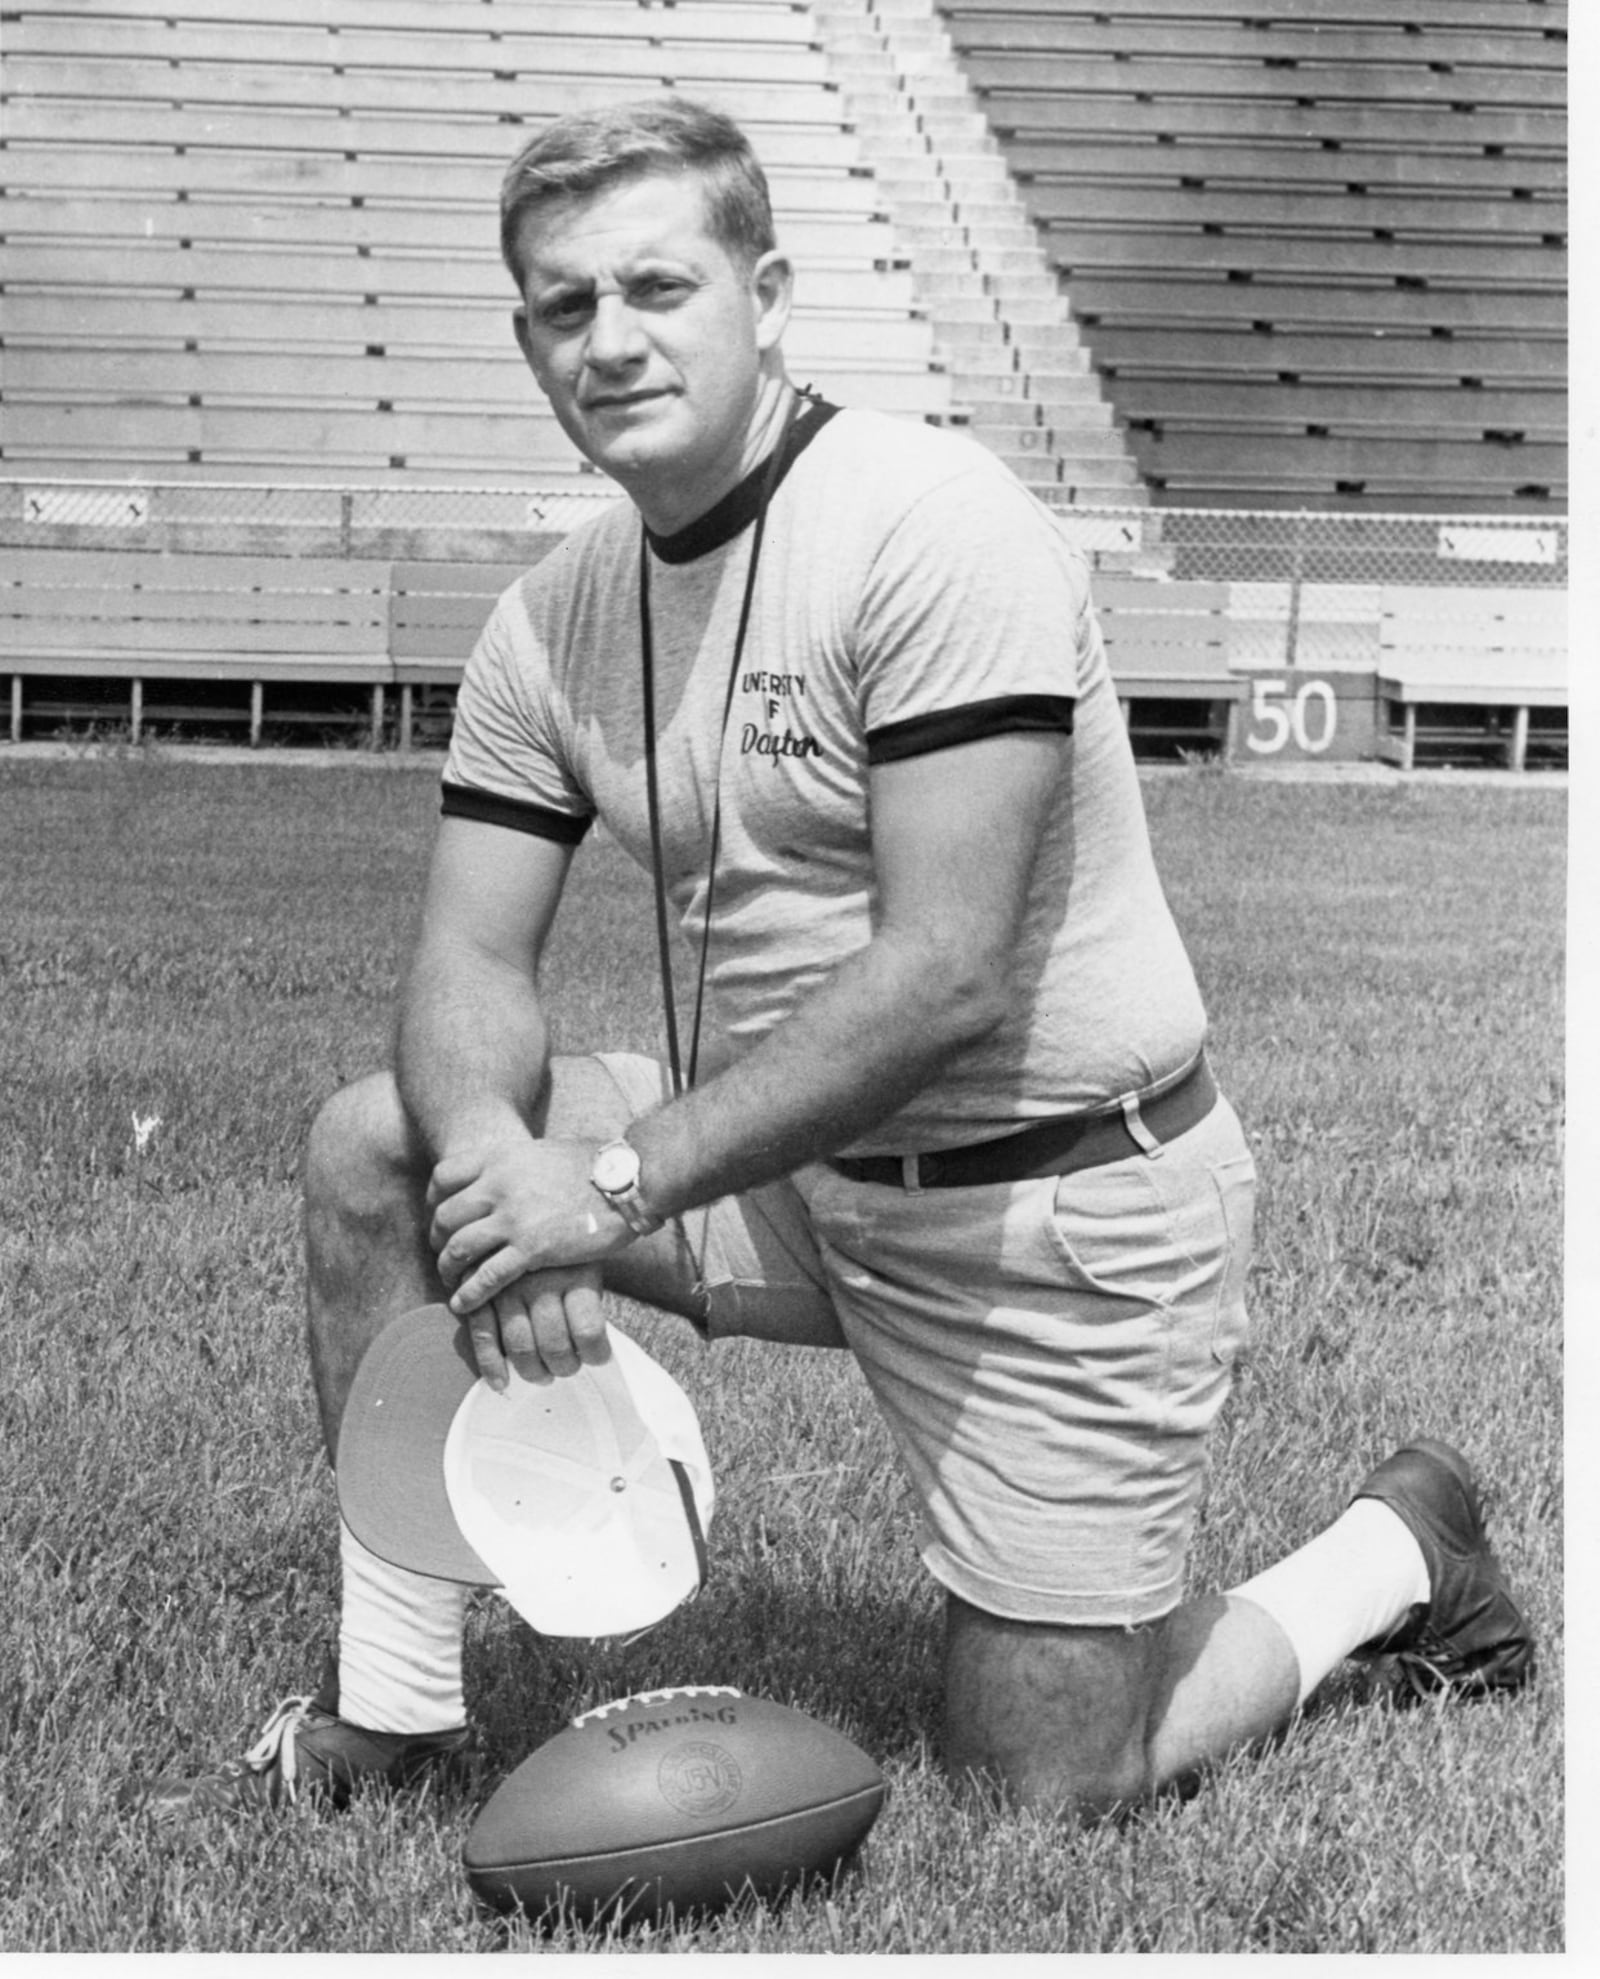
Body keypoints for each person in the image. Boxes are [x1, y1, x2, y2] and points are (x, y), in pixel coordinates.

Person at [127, 97, 1532, 1824]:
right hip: (782, 1169)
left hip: (1045, 1192)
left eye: (657, 285)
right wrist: (502, 1172)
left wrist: (616, 1186)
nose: (612, 339)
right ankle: (398, 1714)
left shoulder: (931, 525)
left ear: (769, 294)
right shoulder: (553, 614)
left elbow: (949, 973)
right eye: (566, 307)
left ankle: (1397, 1551)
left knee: (1047, 1782)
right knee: (379, 1151)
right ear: (525, 340)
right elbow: (466, 961)